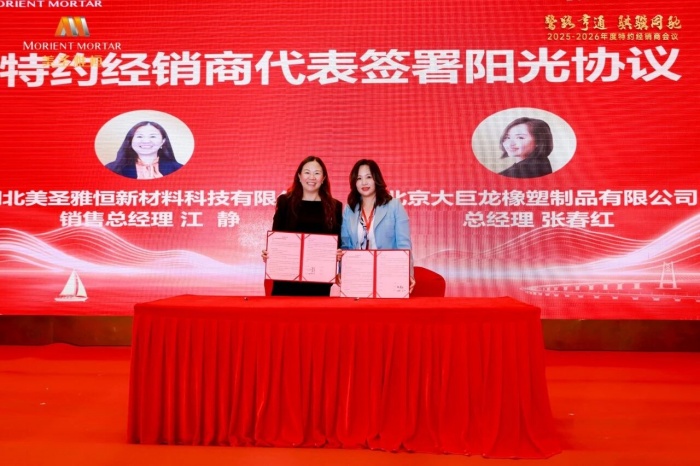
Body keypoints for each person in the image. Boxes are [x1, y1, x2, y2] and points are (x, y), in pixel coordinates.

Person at [262, 156, 343, 296]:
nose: (312, 177)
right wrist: (269, 253)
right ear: (299, 176)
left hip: (318, 280)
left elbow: (338, 242)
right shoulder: (285, 202)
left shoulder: (334, 206)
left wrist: (337, 253)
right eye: (307, 172)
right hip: (286, 279)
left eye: (317, 173)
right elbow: (277, 237)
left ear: (323, 178)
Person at [340, 159, 415, 292]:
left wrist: (407, 273)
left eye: (368, 177)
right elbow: (345, 246)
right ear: (354, 182)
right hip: (357, 275)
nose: (364, 182)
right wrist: (341, 270)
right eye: (359, 178)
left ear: (376, 179)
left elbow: (404, 245)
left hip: (388, 273)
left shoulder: (394, 205)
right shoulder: (349, 209)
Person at [106, 121, 182, 179]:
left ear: (163, 141)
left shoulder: (178, 169)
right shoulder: (111, 168)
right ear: (130, 140)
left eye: (152, 136)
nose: (146, 141)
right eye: (139, 136)